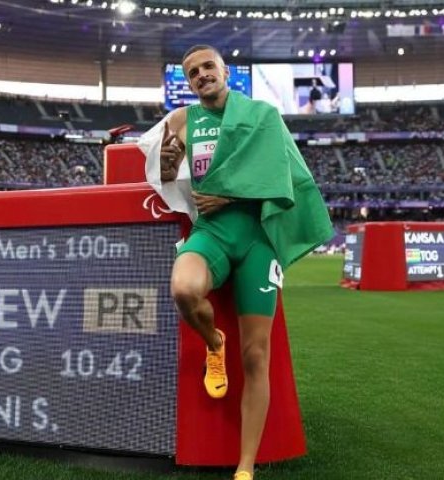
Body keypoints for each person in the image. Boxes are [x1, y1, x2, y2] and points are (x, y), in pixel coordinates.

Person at [144, 44, 333, 480]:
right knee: (183, 289)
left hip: (257, 240)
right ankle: (214, 342)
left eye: (208, 67)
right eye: (193, 72)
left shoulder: (262, 115)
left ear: (225, 70)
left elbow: (281, 176)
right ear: (188, 82)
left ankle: (245, 467)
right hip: (211, 233)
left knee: (255, 356)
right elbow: (167, 179)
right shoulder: (180, 121)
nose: (202, 75)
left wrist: (229, 194)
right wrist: (169, 165)